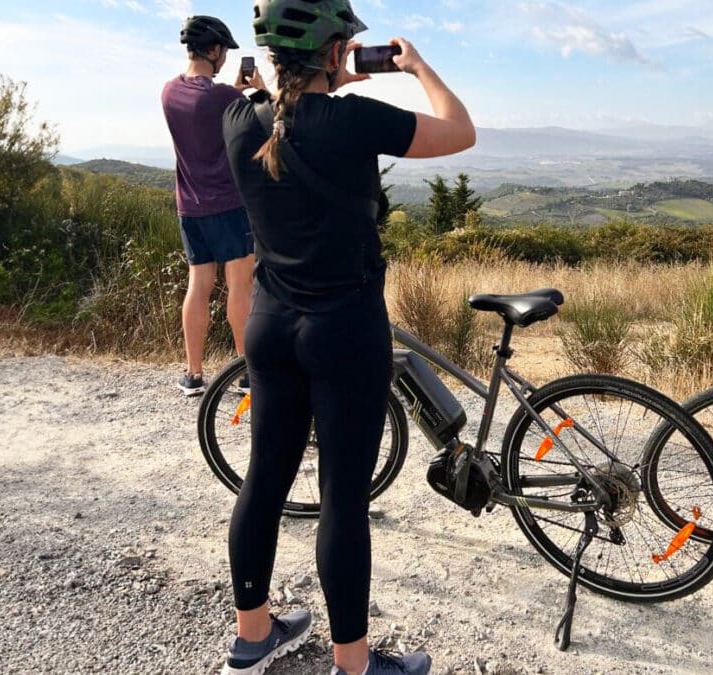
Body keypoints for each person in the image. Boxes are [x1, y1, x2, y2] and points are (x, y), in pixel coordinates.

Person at [219, 1, 475, 673]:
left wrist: (320, 85)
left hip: (270, 326)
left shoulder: (236, 118)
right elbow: (460, 131)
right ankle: (353, 664)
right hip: (345, 330)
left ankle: (253, 636)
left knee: (264, 479)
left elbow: (280, 114)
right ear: (335, 53)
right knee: (342, 498)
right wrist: (416, 66)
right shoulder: (354, 121)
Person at [161, 15, 265, 396]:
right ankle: (245, 372)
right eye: (224, 51)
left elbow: (204, 104)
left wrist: (230, 90)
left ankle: (193, 374)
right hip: (229, 205)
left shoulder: (169, 93)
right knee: (240, 287)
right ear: (215, 49)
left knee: (198, 285)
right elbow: (261, 120)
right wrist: (260, 90)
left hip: (189, 207)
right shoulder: (226, 98)